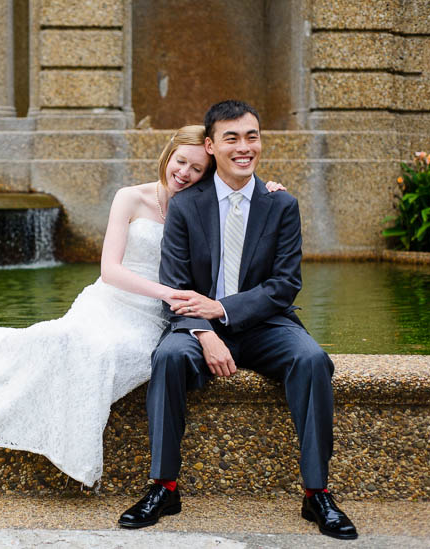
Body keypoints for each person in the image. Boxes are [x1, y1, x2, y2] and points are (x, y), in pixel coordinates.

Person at [0, 126, 283, 487]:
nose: (185, 173)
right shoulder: (130, 197)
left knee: (107, 354)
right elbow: (109, 270)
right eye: (181, 161)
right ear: (168, 154)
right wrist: (165, 292)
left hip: (150, 321)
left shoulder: (205, 207)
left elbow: (244, 208)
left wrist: (268, 192)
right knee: (58, 337)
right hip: (109, 302)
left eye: (197, 169)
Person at [117, 100, 358, 541]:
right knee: (169, 357)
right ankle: (163, 488)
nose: (244, 147)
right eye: (232, 138)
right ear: (212, 146)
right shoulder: (187, 206)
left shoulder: (281, 204)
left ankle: (316, 494)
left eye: (252, 136)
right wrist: (206, 332)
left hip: (267, 324)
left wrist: (224, 309)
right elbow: (175, 284)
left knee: (313, 360)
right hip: (196, 326)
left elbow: (285, 284)